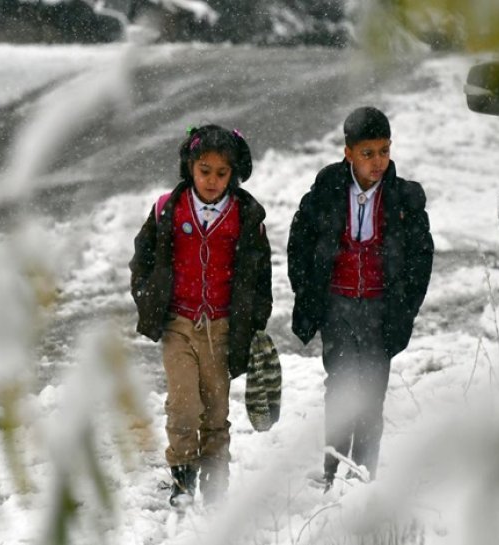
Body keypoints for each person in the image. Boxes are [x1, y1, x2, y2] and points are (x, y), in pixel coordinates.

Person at [287, 106, 433, 490]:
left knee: (371, 395)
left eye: (384, 151)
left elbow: (421, 260)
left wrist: (404, 311)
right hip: (338, 307)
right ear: (348, 152)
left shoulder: (404, 199)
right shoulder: (327, 190)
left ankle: (362, 476)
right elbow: (299, 244)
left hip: (381, 310)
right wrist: (307, 294)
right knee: (339, 389)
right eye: (367, 153)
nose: (378, 161)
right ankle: (332, 470)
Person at [129, 124, 272, 507]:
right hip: (179, 325)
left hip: (223, 329)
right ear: (189, 167)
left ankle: (215, 480)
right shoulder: (168, 211)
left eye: (221, 173)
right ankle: (182, 477)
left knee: (215, 410)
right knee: (183, 406)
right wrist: (149, 301)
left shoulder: (245, 217)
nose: (212, 180)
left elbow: (261, 274)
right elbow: (141, 261)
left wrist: (255, 319)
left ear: (234, 174)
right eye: (204, 170)